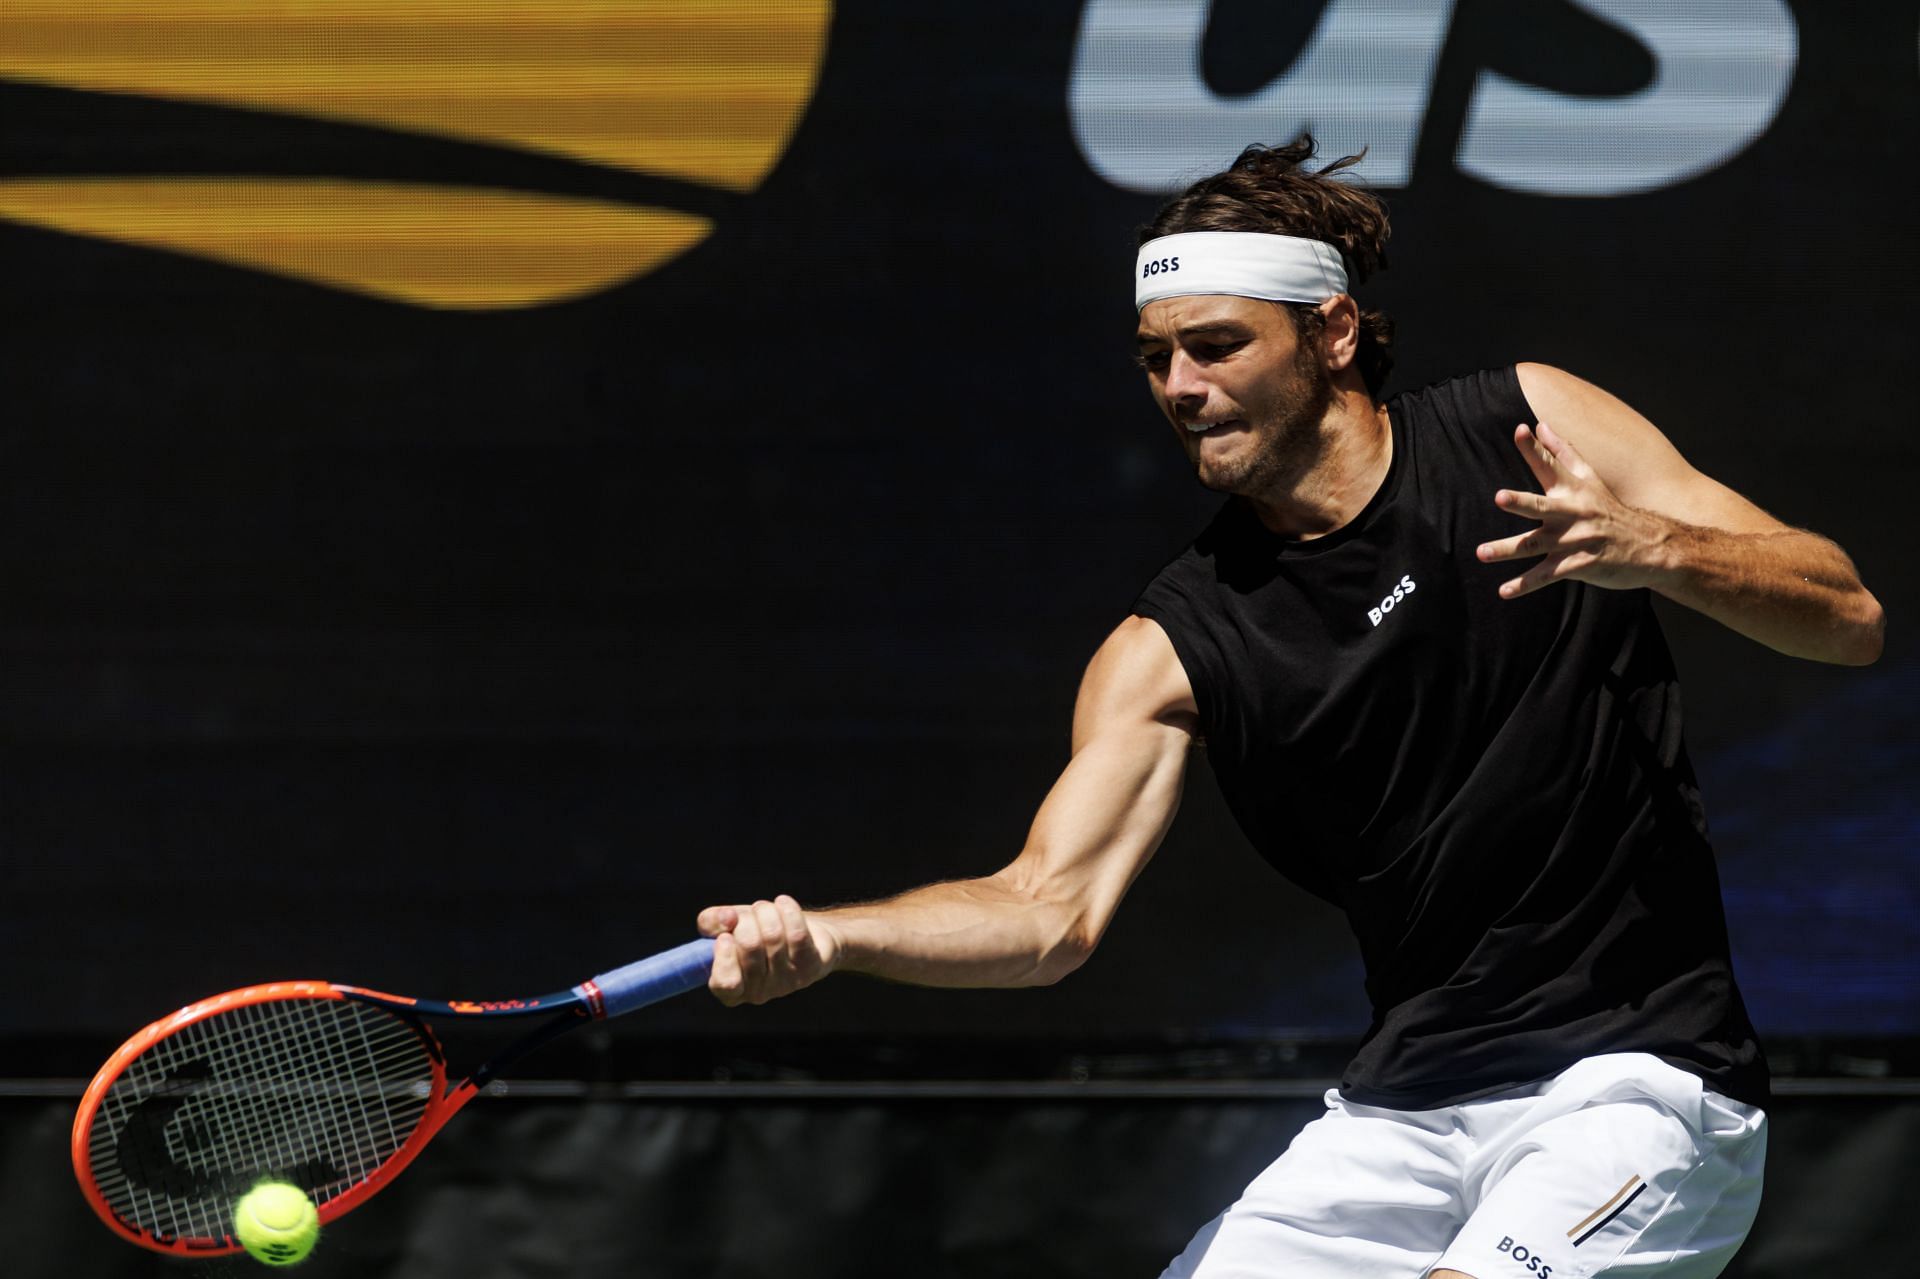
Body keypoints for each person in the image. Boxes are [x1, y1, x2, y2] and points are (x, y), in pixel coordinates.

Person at [694, 138, 1884, 1278]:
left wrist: (1659, 548)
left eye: (1216, 347)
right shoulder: (1168, 645)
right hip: (1401, 1112)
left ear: (1334, 332)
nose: (1182, 388)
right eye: (1156, 358)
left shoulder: (1528, 428)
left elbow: (1847, 615)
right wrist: (834, 938)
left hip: (1640, 1088)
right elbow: (1047, 910)